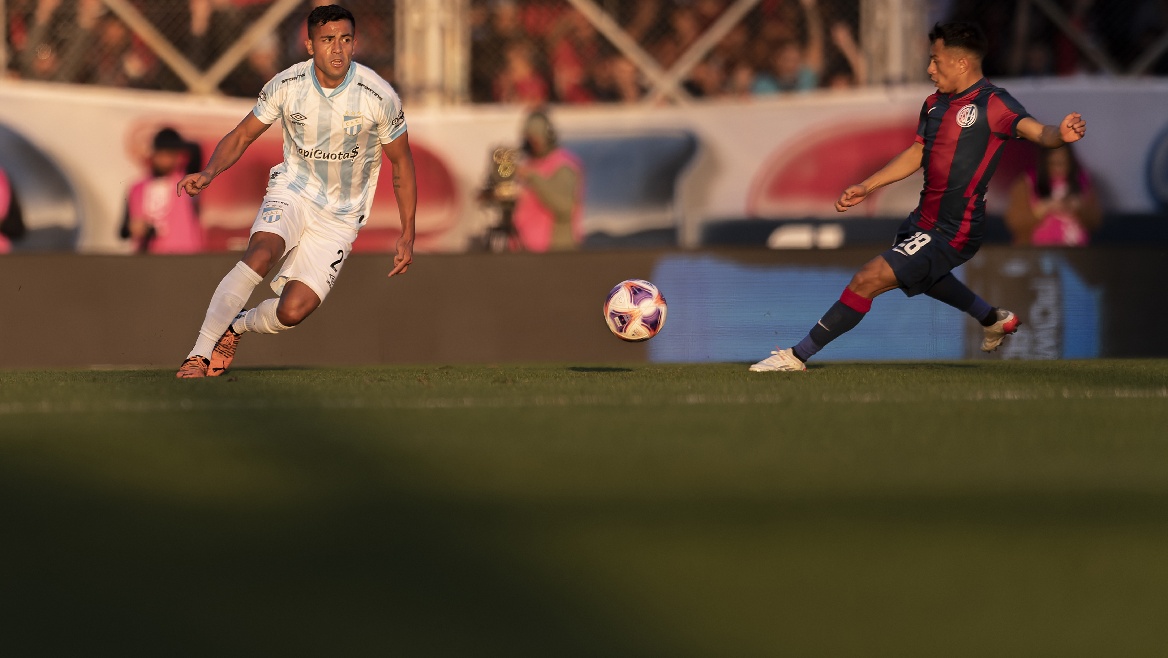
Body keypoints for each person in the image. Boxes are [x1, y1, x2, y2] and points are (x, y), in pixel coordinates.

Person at [750, 21, 1087, 372]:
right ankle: (992, 319)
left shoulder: (994, 103)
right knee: (924, 277)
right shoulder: (934, 104)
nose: (929, 69)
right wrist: (868, 185)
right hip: (923, 220)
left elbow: (1037, 131)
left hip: (956, 228)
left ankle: (796, 356)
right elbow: (917, 153)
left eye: (935, 60)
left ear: (960, 63)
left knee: (868, 278)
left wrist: (1059, 134)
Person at [174, 4, 416, 378]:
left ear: (354, 44)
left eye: (346, 39)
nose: (338, 49)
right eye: (328, 40)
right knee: (259, 254)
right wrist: (209, 172)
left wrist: (408, 232)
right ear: (309, 46)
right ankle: (198, 355)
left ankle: (236, 325)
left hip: (340, 216)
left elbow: (402, 164)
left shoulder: (378, 96)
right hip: (294, 190)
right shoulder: (287, 85)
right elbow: (242, 135)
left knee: (292, 311)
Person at [122, 127, 205, 254]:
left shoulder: (186, 182)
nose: (165, 159)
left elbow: (197, 150)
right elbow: (122, 231)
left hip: (184, 256)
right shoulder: (136, 188)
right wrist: (135, 228)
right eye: (161, 153)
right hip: (148, 258)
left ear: (178, 156)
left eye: (170, 154)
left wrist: (175, 143)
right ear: (153, 154)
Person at [511, 109, 584, 252]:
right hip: (528, 246)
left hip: (555, 247)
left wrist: (533, 177)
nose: (533, 143)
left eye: (535, 138)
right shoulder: (531, 163)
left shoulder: (563, 165)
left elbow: (564, 206)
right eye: (529, 139)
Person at [1003, 143, 1101, 247]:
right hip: (1035, 252)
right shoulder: (1026, 183)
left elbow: (1095, 220)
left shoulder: (1081, 182)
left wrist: (1079, 208)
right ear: (1043, 162)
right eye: (1053, 163)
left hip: (1076, 251)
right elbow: (1014, 222)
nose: (1059, 168)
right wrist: (1040, 210)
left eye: (1064, 162)